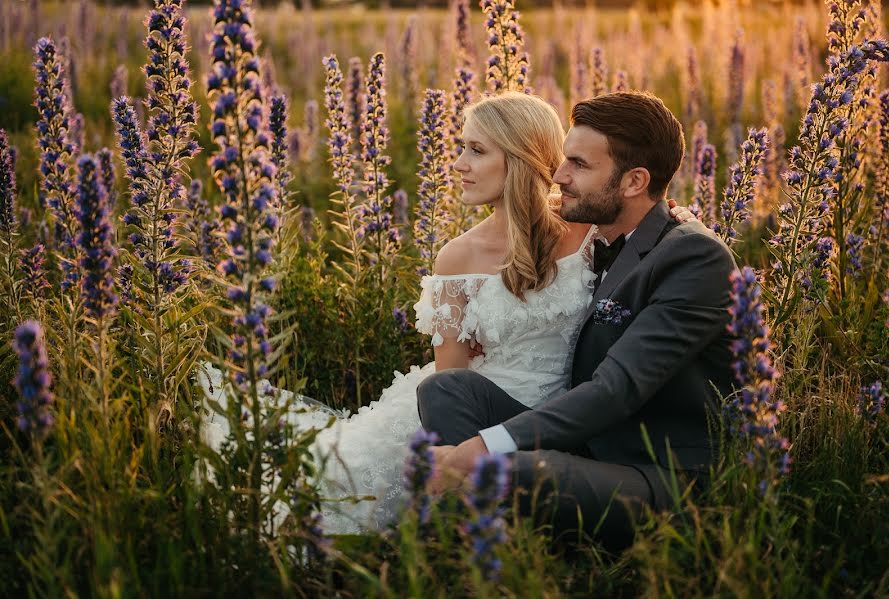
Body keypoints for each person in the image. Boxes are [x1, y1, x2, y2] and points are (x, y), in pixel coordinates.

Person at [199, 91, 698, 535]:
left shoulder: (587, 232)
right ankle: (480, 524)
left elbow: (639, 229)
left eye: (476, 150)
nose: (456, 162)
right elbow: (452, 374)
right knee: (333, 490)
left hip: (569, 413)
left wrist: (678, 214)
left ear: (521, 158)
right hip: (477, 405)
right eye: (460, 146)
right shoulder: (457, 258)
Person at [418, 91, 737, 550]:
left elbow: (616, 389)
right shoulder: (603, 237)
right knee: (444, 388)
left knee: (508, 469)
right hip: (591, 446)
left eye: (579, 166)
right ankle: (479, 533)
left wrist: (481, 446)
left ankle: (483, 542)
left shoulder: (693, 257)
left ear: (633, 182)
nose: (559, 175)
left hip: (660, 473)